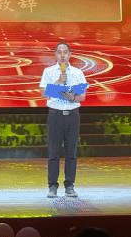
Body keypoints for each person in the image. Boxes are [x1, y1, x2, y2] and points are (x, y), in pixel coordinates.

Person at [38, 42, 87, 198]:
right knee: (54, 152)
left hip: (72, 115)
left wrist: (72, 96)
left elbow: (82, 96)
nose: (62, 55)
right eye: (59, 52)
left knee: (71, 152)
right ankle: (52, 186)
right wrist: (58, 82)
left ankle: (69, 186)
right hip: (55, 115)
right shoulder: (48, 72)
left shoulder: (78, 73)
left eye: (65, 52)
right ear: (55, 55)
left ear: (70, 54)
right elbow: (44, 94)